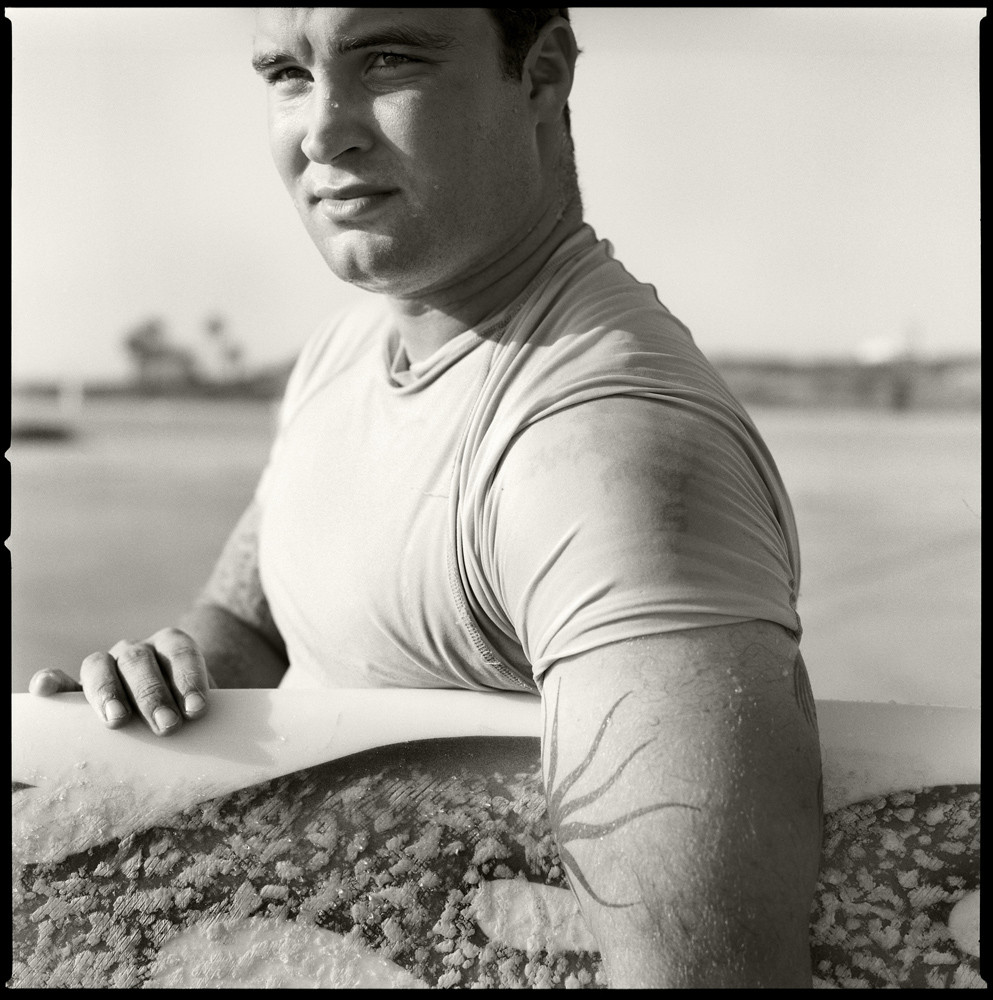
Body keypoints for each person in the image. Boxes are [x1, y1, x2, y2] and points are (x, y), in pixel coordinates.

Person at [30, 8, 822, 988]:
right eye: (286, 73)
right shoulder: (346, 353)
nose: (323, 130)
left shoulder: (607, 456)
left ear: (539, 77)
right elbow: (253, 617)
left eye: (389, 58)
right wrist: (161, 688)